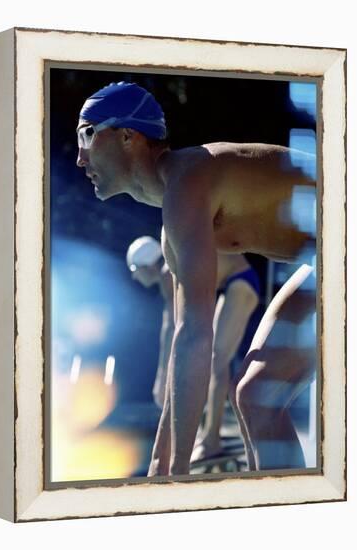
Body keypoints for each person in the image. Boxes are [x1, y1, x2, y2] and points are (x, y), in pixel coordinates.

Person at [75, 81, 316, 476]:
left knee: (255, 392)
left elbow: (194, 336)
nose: (80, 158)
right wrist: (162, 459)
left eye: (86, 135)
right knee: (257, 396)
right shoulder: (173, 216)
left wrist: (174, 470)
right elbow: (182, 341)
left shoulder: (188, 181)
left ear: (127, 136)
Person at [126, 236, 260, 460]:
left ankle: (211, 441)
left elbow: (171, 327)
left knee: (217, 360)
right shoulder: (168, 269)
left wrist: (162, 376)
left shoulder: (168, 273)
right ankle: (207, 434)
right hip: (231, 283)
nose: (134, 277)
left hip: (241, 281)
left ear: (147, 265)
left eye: (135, 270)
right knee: (212, 359)